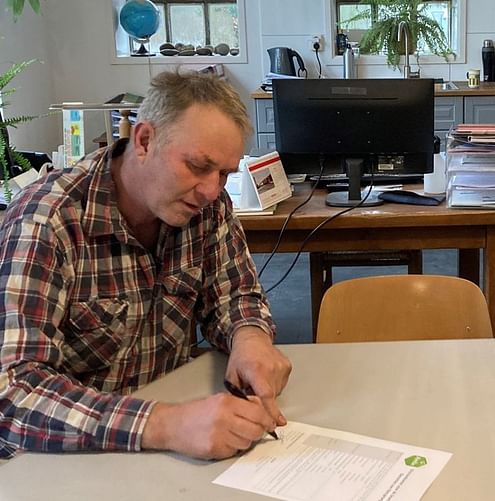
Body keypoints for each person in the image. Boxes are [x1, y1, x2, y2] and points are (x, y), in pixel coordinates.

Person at [0, 70, 292, 459]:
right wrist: (164, 424)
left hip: (161, 444)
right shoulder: (47, 221)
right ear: (144, 140)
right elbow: (13, 391)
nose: (211, 190)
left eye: (223, 173)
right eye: (197, 165)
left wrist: (250, 339)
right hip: (54, 457)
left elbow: (235, 295)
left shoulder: (207, 209)